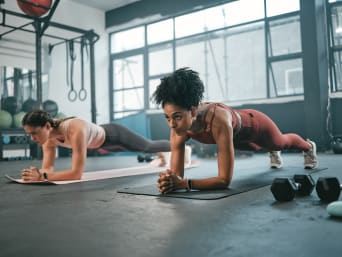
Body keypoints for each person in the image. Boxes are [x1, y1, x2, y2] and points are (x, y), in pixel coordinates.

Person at [152, 67, 318, 194]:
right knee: (253, 147)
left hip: (256, 126)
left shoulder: (218, 121)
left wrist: (185, 184)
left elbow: (224, 180)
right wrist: (169, 181)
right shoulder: (178, 128)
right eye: (167, 118)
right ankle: (270, 150)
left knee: (280, 142)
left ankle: (308, 146)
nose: (171, 124)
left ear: (193, 111)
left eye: (177, 117)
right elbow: (177, 177)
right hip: (237, 140)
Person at [20, 110, 186, 181]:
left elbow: (76, 173)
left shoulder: (74, 129)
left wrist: (42, 177)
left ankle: (182, 144)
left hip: (114, 136)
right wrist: (37, 173)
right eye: (29, 134)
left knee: (148, 146)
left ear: (47, 126)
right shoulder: (47, 140)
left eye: (34, 133)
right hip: (103, 145)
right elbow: (48, 168)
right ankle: (162, 154)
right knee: (145, 148)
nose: (32, 138)